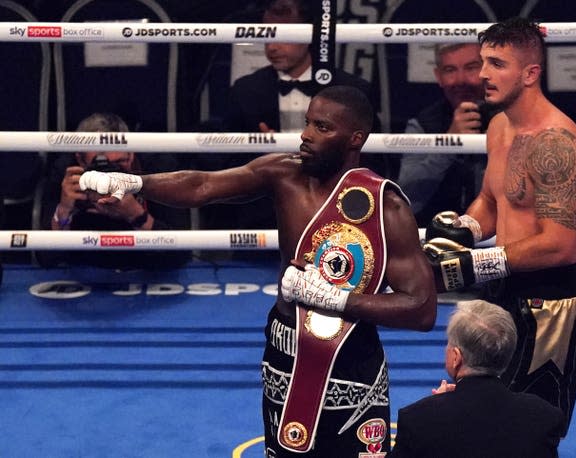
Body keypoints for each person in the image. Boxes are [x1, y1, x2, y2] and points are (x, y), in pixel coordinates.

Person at [78, 86, 438, 456]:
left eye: (323, 127)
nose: (307, 134)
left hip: (352, 358)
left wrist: (337, 299)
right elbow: (203, 184)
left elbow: (422, 310)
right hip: (285, 349)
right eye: (308, 123)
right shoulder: (283, 174)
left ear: (355, 138)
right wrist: (137, 183)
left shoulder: (385, 207)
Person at [423, 17, 576, 436]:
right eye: (483, 62)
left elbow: (561, 246)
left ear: (530, 73)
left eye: (497, 63)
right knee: (481, 418)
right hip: (501, 290)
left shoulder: (556, 143)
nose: (482, 74)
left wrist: (474, 264)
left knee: (532, 428)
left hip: (550, 303)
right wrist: (466, 227)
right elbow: (491, 198)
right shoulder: (499, 126)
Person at [194, 0, 390, 233]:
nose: (272, 48)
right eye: (268, 37)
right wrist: (262, 152)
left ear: (308, 33)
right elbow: (228, 166)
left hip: (340, 213)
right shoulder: (246, 90)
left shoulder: (351, 89)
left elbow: (374, 161)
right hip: (266, 215)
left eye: (282, 37)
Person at [389, 300, 564, 458]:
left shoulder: (418, 420)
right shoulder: (544, 417)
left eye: (449, 344)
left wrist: (436, 406)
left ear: (456, 357)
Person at [37, 112, 191, 270]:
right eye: (100, 166)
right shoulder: (67, 174)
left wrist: (138, 216)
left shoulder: (158, 169)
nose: (110, 176)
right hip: (86, 269)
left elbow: (181, 256)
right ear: (80, 160)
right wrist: (63, 213)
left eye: (119, 163)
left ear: (131, 155)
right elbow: (46, 258)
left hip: (147, 267)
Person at [397, 43, 499, 227]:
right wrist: (449, 143)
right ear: (439, 76)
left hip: (498, 237)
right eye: (450, 70)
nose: (461, 80)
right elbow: (406, 199)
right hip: (435, 239)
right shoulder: (423, 124)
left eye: (471, 67)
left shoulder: (512, 119)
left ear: (486, 70)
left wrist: (498, 145)